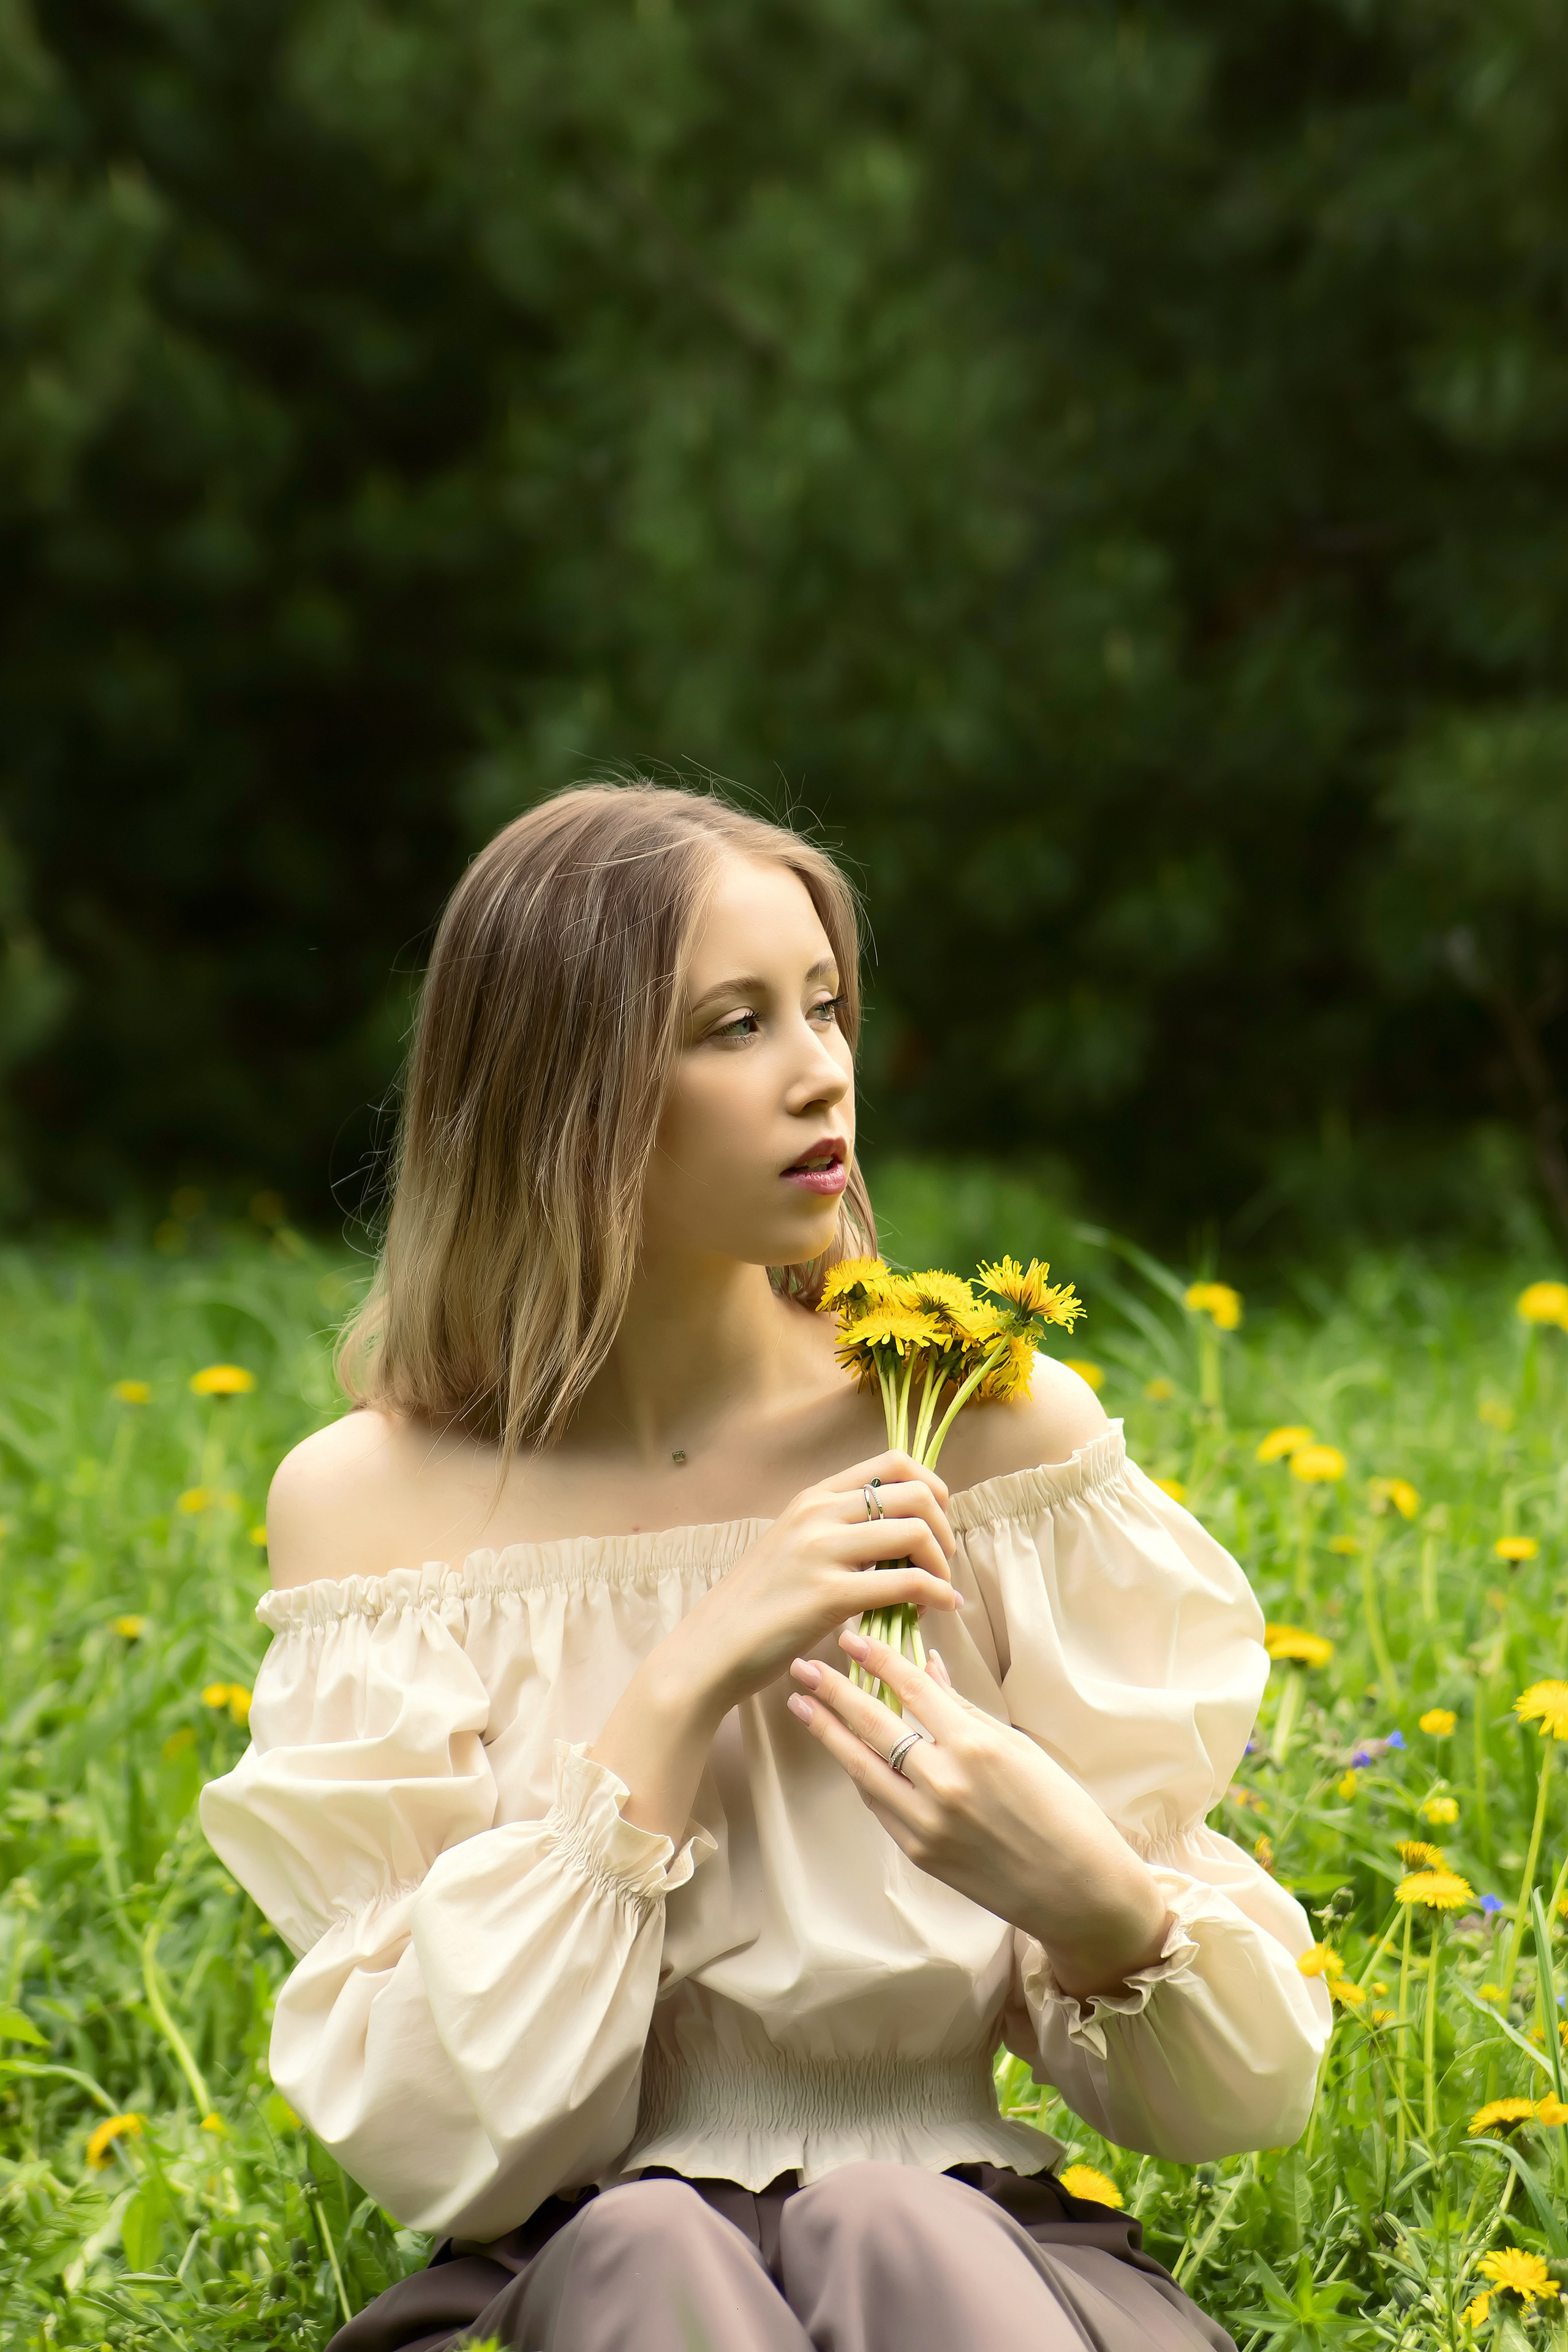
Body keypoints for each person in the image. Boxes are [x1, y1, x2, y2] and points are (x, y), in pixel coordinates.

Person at [201, 783, 1330, 2352]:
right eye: (731, 1028)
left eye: (823, 1006)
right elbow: (429, 2125)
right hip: (563, 2281)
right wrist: (676, 1693)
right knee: (644, 2250)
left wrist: (1091, 1903)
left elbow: (1242, 2093)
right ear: (561, 1093)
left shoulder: (983, 1432)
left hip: (973, 2255)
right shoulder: (371, 1511)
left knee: (892, 2221)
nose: (821, 1074)